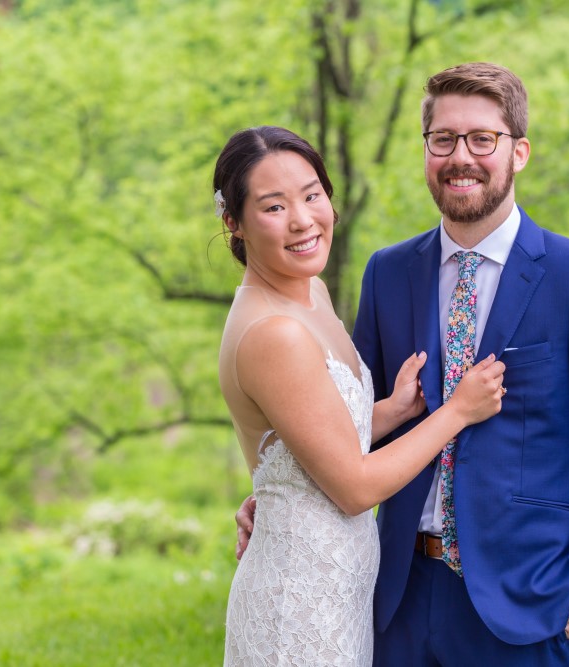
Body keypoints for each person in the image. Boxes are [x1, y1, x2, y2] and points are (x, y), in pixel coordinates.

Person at [236, 64, 569, 666]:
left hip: (523, 605)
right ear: (425, 150)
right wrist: (285, 494)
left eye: (481, 139)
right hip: (393, 597)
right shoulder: (388, 273)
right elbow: (344, 427)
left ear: (518, 152)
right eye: (442, 139)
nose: (459, 156)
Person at [214, 125, 506, 666]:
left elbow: (314, 434)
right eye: (274, 206)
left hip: (339, 595)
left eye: (312, 195)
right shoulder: (272, 331)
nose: (303, 220)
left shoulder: (310, 292)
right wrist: (457, 413)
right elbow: (353, 487)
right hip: (298, 609)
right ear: (234, 222)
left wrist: (392, 411)